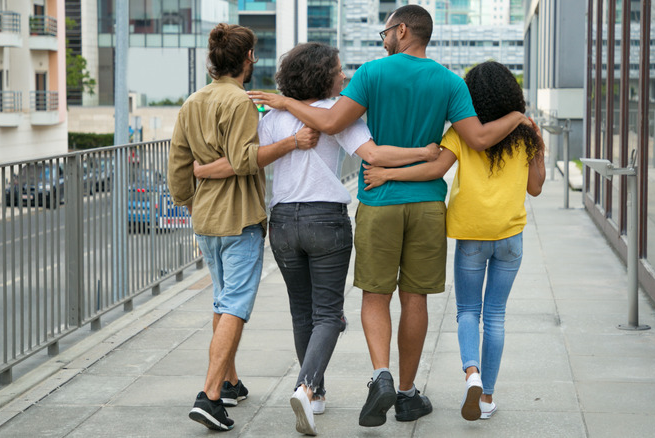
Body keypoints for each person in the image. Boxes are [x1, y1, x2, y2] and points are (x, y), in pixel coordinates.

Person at [248, 5, 532, 428]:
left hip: (378, 200)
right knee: (414, 297)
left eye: (385, 32)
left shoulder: (371, 74)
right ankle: (405, 392)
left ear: (402, 30)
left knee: (375, 295)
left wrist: (285, 100)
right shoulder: (451, 82)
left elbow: (329, 121)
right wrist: (516, 115)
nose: (383, 39)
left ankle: (380, 373)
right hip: (427, 206)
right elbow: (477, 137)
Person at [193, 41, 441, 436]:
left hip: (283, 223)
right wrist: (425, 154)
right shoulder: (336, 114)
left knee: (301, 311)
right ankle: (306, 388)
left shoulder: (271, 115)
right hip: (326, 220)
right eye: (339, 69)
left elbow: (246, 157)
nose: (344, 76)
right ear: (323, 74)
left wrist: (202, 170)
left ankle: (317, 392)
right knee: (329, 314)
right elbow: (374, 156)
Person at [362, 61, 546, 421]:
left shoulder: (462, 134)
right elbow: (535, 188)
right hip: (510, 237)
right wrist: (538, 145)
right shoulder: (526, 135)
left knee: (467, 312)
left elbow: (433, 169)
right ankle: (487, 396)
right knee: (495, 316)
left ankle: (471, 372)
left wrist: (386, 173)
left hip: (472, 236)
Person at [167, 23, 319, 432]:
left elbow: (179, 165)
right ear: (247, 59)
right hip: (239, 219)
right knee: (235, 304)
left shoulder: (193, 101)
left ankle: (230, 383)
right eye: (253, 54)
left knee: (222, 300)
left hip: (206, 220)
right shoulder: (240, 103)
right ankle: (210, 395)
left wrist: (189, 199)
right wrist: (291, 143)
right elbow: (243, 159)